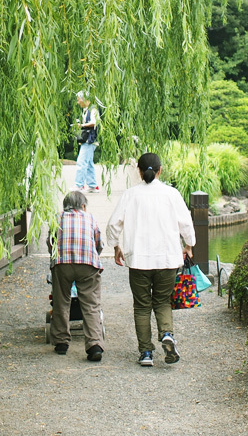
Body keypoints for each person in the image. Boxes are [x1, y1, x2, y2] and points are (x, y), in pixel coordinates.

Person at [105, 152, 195, 367]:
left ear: (139, 171)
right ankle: (167, 334)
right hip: (167, 260)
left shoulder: (130, 195)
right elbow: (186, 224)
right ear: (160, 170)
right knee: (163, 301)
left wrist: (116, 246)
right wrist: (189, 245)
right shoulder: (171, 194)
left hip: (138, 261)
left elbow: (112, 224)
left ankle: (146, 353)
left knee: (142, 306)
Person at [48, 190, 105, 361]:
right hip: (88, 264)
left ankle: (61, 342)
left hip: (62, 263)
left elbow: (51, 243)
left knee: (61, 301)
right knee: (91, 304)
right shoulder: (90, 218)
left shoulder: (57, 218)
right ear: (83, 205)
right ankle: (94, 344)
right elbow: (98, 243)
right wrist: (94, 255)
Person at [74, 91, 99, 192]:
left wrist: (82, 126)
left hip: (90, 140)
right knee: (88, 163)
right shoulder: (86, 110)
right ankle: (93, 186)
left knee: (81, 162)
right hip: (88, 140)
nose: (78, 102)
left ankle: (79, 185)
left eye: (78, 99)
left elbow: (94, 122)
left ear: (84, 98)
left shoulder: (93, 109)